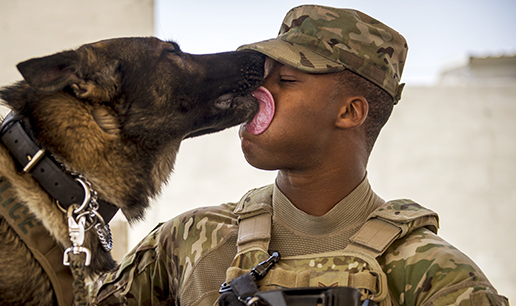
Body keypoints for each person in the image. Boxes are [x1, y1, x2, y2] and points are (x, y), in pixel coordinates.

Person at [88, 4, 508, 306]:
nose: (258, 94)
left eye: (286, 80)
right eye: (263, 78)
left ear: (349, 112)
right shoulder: (189, 240)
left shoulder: (435, 274)